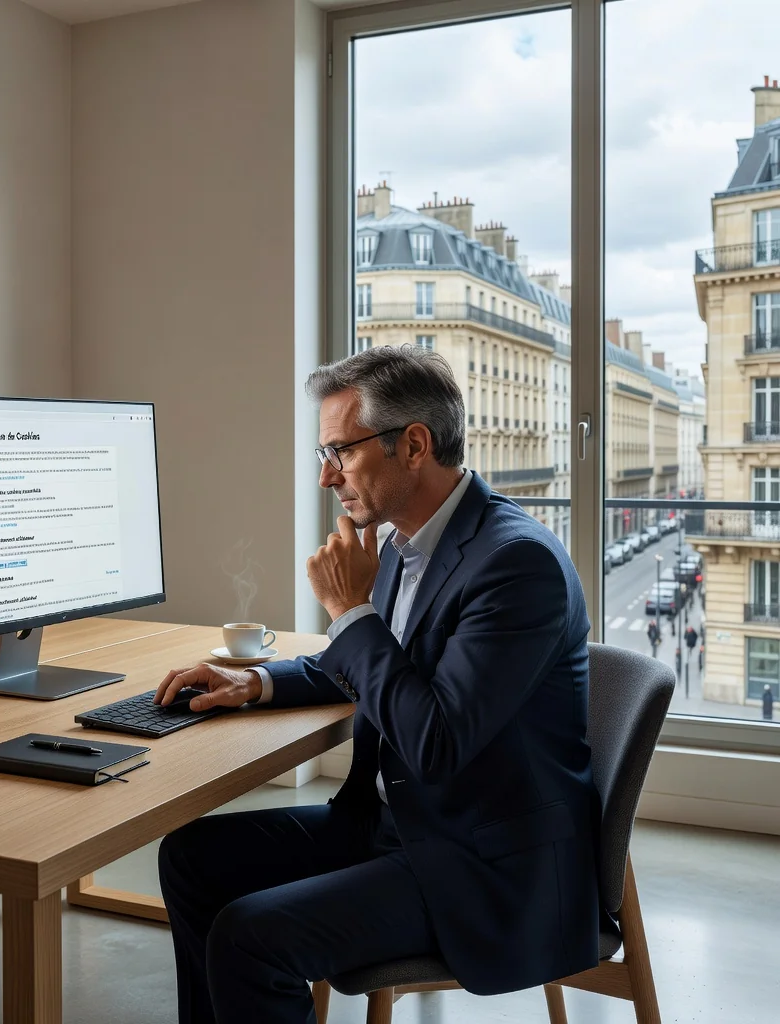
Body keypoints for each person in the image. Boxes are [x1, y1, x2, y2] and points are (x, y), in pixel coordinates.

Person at [155, 346, 602, 1024]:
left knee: (251, 938)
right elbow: (383, 665)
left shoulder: (517, 566)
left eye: (340, 451)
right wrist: (255, 684)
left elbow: (435, 741)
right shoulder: (404, 543)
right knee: (191, 857)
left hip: (482, 869)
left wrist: (350, 611)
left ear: (414, 445)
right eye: (323, 456)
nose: (326, 478)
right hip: (401, 827)